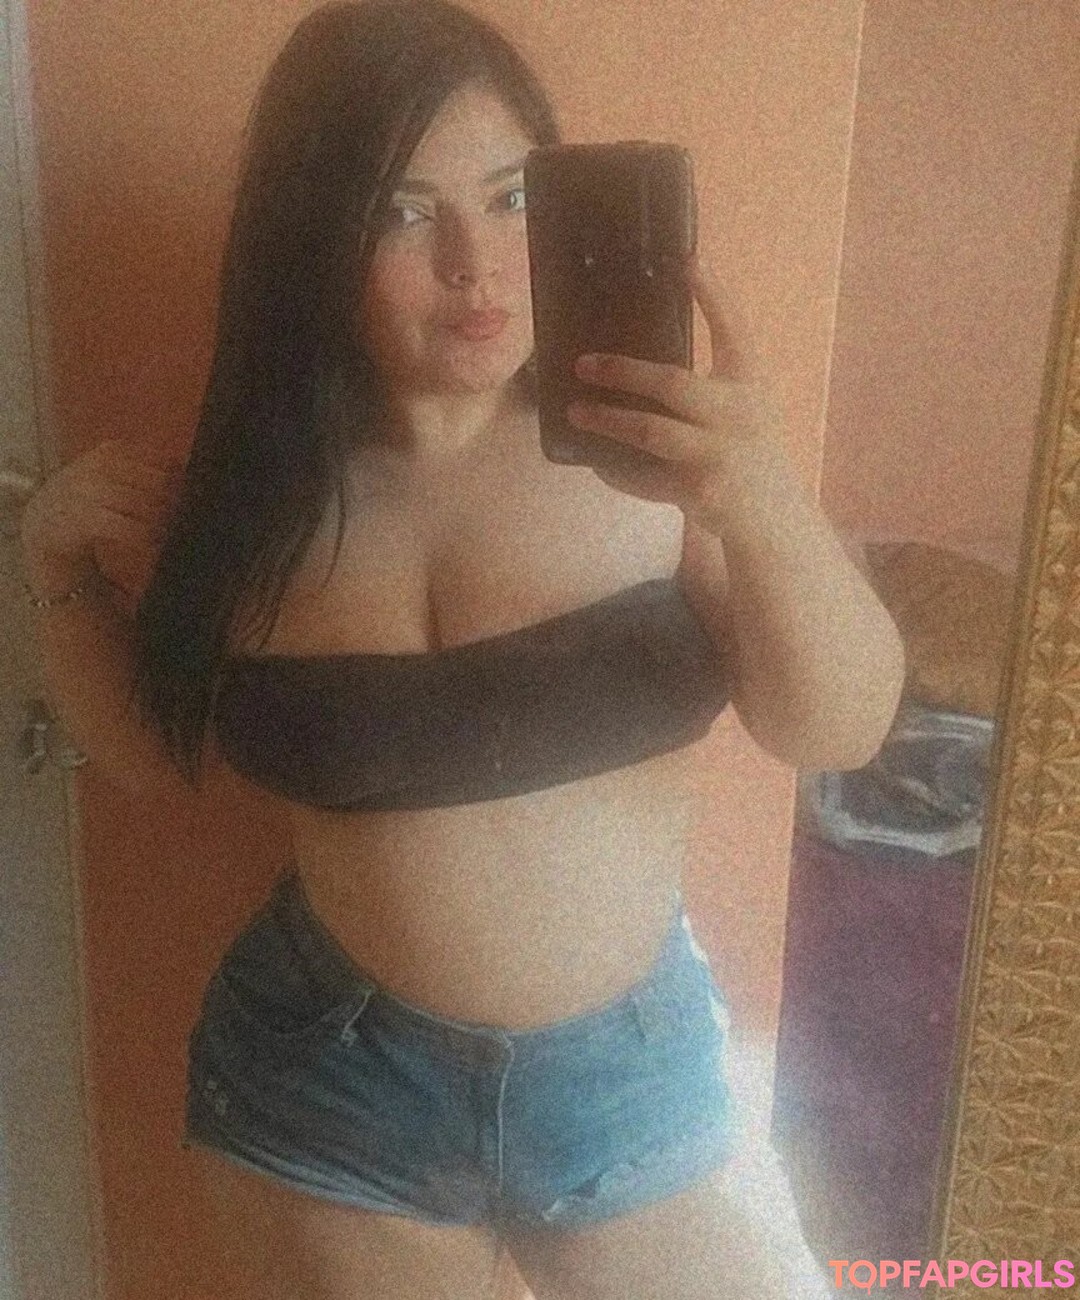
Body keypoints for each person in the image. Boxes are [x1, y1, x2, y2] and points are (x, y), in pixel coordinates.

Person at [19, 2, 905, 1296]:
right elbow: (154, 761)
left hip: (632, 1086)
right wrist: (55, 576)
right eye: (402, 211)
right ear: (314, 237)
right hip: (330, 1097)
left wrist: (761, 496)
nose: (476, 268)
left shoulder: (660, 455)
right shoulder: (249, 504)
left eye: (510, 197)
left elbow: (840, 727)